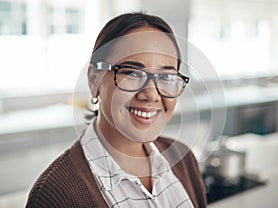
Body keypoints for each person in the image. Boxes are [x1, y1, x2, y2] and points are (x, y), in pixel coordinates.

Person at [26, 12, 207, 208]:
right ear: (94, 79)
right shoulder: (56, 194)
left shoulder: (182, 158)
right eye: (131, 73)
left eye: (166, 77)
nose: (151, 95)